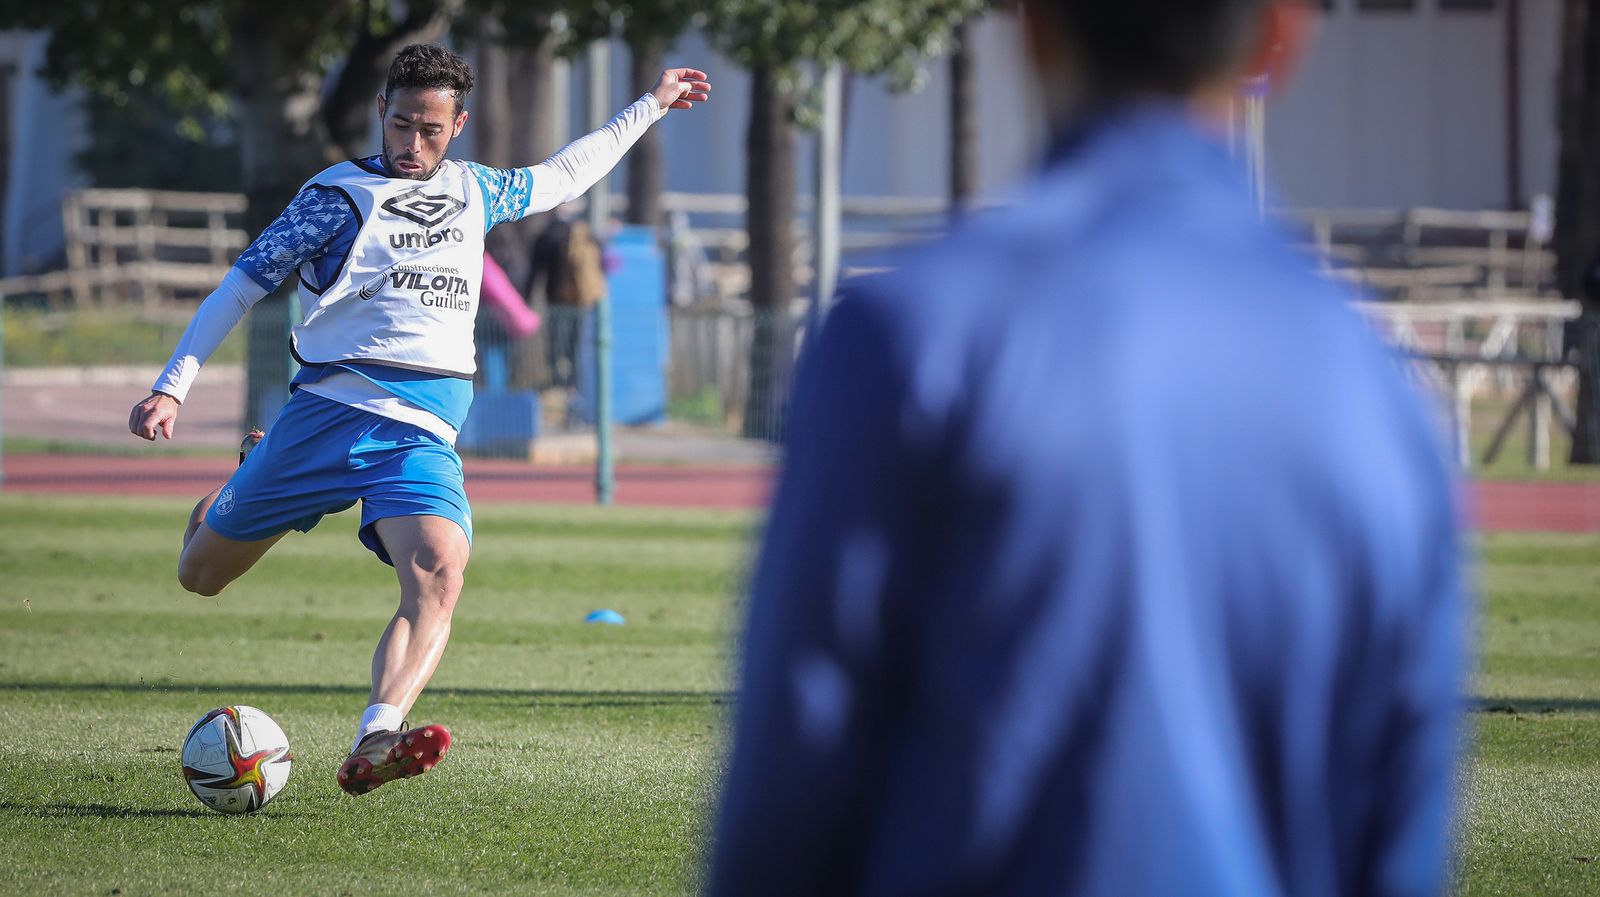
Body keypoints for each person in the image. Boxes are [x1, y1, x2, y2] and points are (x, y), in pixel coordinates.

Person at [708, 2, 1466, 895]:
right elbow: (1396, 836)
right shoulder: (1375, 380)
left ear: (1030, 28)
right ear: (1281, 37)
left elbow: (791, 798)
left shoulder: (904, 336)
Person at [127, 43, 710, 796]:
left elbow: (569, 171)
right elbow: (240, 287)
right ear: (381, 112)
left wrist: (652, 104)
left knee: (439, 573)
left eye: (430, 130)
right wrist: (172, 385)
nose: (412, 144)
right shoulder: (333, 198)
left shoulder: (479, 190)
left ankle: (377, 735)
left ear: (457, 123)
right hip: (323, 417)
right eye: (401, 125)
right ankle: (247, 476)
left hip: (420, 433)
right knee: (199, 575)